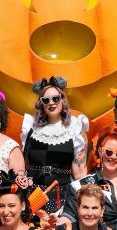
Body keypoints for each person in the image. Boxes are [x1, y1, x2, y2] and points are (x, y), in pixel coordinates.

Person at [21, 76, 88, 217]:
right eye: (46, 100)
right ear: (41, 103)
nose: (51, 103)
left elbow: (80, 172)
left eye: (55, 98)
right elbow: (23, 164)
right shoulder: (30, 127)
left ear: (62, 99)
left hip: (61, 197)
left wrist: (85, 201)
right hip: (31, 196)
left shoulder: (73, 128)